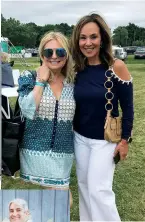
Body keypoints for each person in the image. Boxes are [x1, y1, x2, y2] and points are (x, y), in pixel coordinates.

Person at [71, 13, 134, 221]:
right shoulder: (77, 69)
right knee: (84, 187)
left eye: (93, 37)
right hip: (80, 138)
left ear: (103, 38)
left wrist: (124, 141)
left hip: (104, 141)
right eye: (83, 37)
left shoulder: (116, 67)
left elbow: (128, 109)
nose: (87, 43)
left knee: (99, 191)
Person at [18, 31, 76, 195]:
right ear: (42, 54)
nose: (54, 56)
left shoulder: (73, 81)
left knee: (60, 201)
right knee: (61, 200)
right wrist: (40, 82)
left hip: (63, 152)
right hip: (34, 151)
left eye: (60, 52)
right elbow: (27, 110)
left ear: (67, 55)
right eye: (49, 52)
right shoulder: (28, 77)